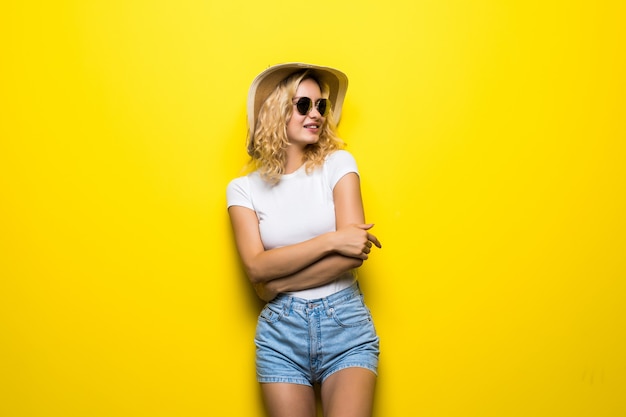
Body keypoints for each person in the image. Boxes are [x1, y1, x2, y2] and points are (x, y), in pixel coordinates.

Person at [226, 63, 382, 417]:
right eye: (303, 105)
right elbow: (255, 266)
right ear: (277, 111)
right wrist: (331, 241)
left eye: (320, 106)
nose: (316, 115)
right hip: (281, 335)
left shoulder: (338, 164)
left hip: (346, 325)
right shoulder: (243, 190)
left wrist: (275, 284)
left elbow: (354, 251)